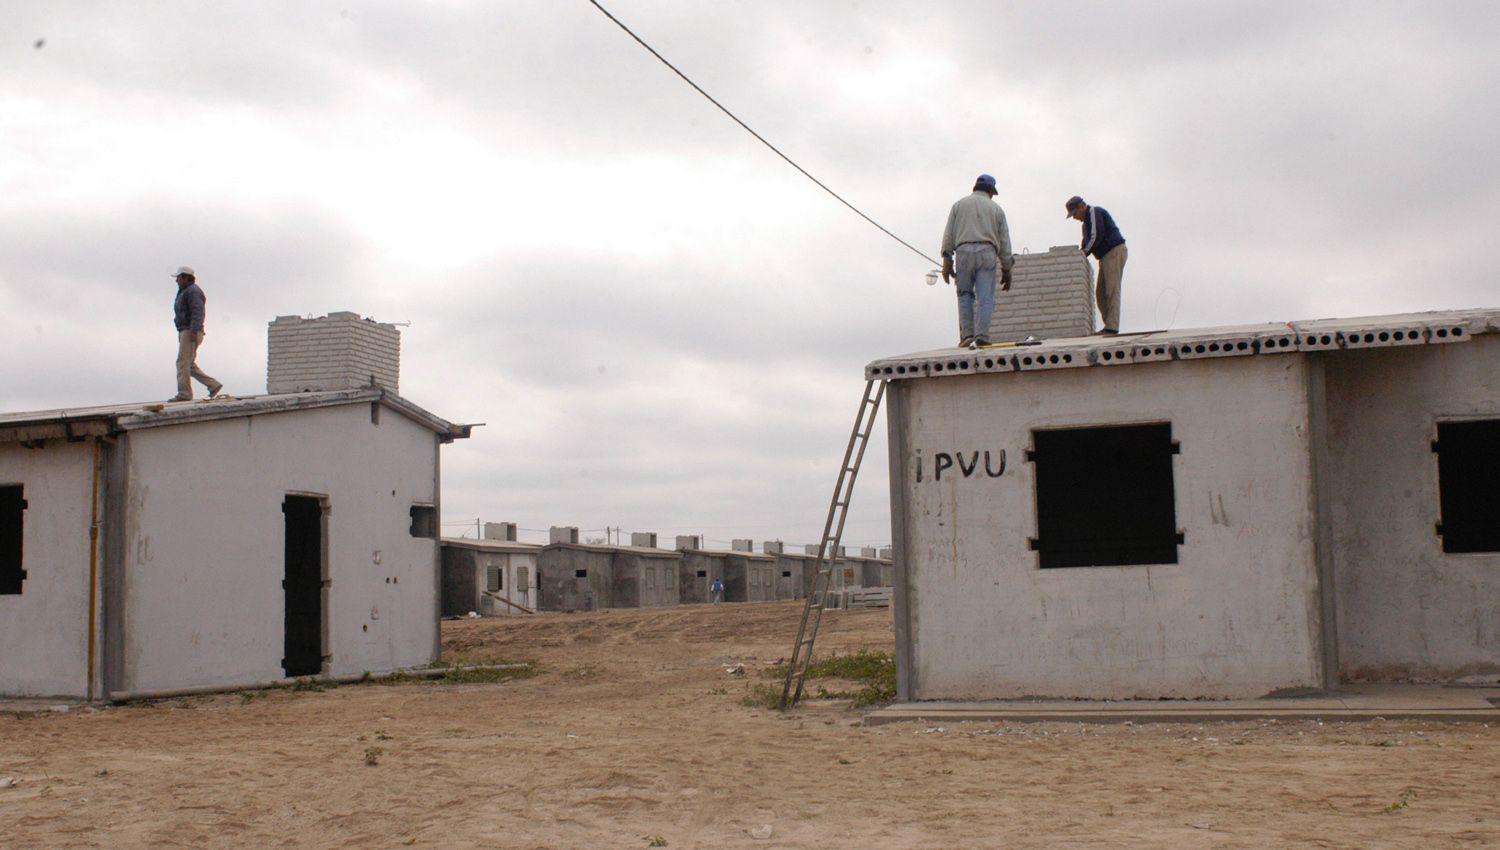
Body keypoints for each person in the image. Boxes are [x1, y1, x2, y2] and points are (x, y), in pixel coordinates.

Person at [941, 174, 1014, 349]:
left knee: (964, 294)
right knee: (985, 296)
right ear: (990, 191)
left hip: (963, 251)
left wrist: (947, 259)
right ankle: (982, 335)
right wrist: (1007, 268)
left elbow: (949, 233)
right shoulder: (996, 209)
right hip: (987, 251)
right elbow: (1004, 242)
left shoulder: (959, 205)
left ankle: (967, 336)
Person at [1065, 196, 1127, 335]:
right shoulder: (1085, 224)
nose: (1074, 217)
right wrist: (1079, 255)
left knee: (1112, 289)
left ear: (1082, 206)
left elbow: (1096, 236)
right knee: (1100, 294)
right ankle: (1109, 326)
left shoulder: (1093, 212)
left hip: (1114, 251)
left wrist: (1083, 253)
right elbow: (1085, 243)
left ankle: (1112, 327)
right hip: (1105, 257)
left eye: (1075, 213)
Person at [170, 265, 223, 402]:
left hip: (190, 331)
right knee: (188, 364)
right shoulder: (186, 291)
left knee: (182, 363)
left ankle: (184, 394)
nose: (177, 281)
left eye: (179, 278)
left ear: (185, 277)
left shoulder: (193, 291)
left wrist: (193, 331)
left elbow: (197, 312)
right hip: (187, 330)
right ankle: (213, 385)